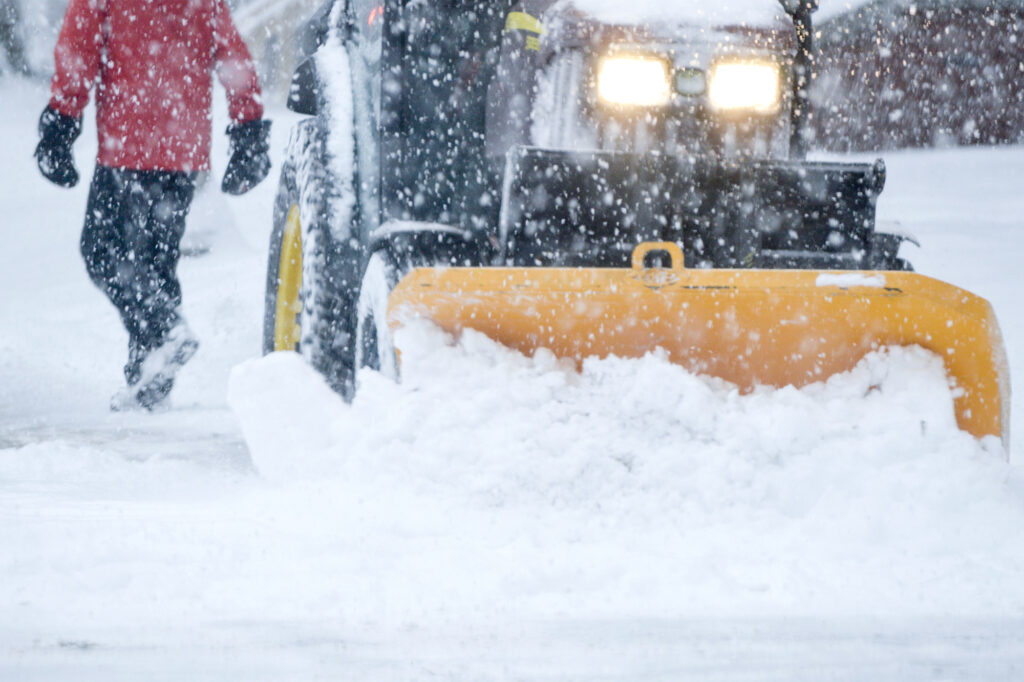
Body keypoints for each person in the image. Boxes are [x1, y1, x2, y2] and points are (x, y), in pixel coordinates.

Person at [34, 0, 271, 411]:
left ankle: (164, 331)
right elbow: (233, 56)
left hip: (126, 148)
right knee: (155, 266)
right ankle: (150, 384)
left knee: (102, 252)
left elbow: (78, 49)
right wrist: (247, 127)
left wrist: (61, 121)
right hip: (181, 152)